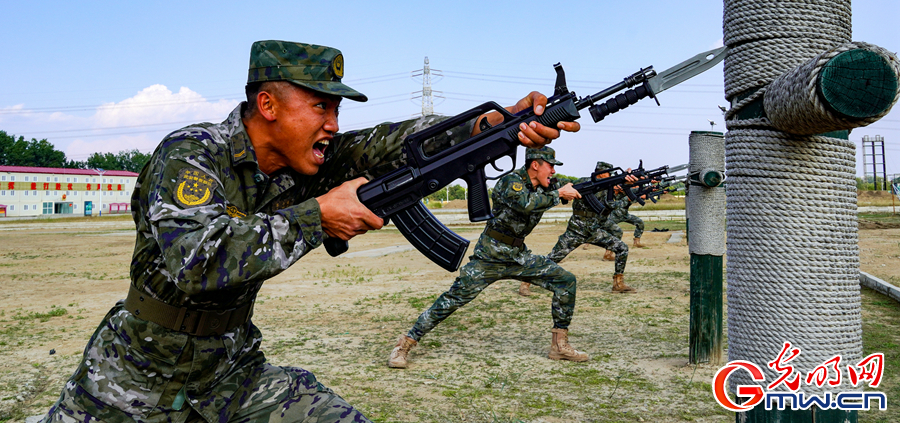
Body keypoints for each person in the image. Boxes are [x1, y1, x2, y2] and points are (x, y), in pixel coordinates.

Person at [42, 40, 577, 423]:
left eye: (337, 109)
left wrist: (490, 126)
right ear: (268, 105)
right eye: (321, 105)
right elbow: (198, 262)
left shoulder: (308, 163)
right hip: (128, 383)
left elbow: (387, 144)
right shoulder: (191, 154)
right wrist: (318, 216)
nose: (334, 123)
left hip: (231, 375)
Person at [387, 146, 589, 368]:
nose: (553, 171)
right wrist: (559, 194)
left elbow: (581, 186)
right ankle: (405, 344)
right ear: (535, 164)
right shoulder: (510, 182)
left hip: (518, 257)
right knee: (453, 299)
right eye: (550, 166)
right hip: (490, 257)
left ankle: (559, 346)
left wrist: (620, 182)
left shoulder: (547, 186)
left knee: (565, 281)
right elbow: (525, 204)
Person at [520, 161, 637, 295]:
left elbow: (609, 207)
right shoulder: (585, 182)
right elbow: (562, 188)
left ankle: (618, 283)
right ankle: (526, 281)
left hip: (593, 230)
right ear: (601, 172)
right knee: (553, 258)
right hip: (576, 231)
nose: (610, 175)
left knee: (622, 248)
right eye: (608, 173)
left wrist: (626, 187)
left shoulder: (608, 188)